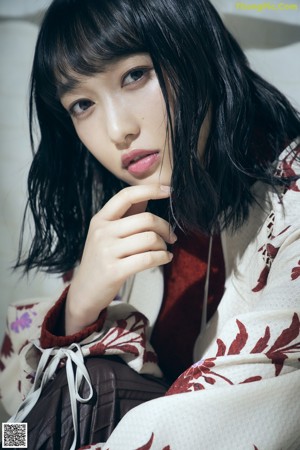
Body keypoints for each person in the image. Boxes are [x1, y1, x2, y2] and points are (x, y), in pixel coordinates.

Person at [0, 0, 300, 448]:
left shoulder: (291, 206)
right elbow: (45, 396)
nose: (118, 129)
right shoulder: (132, 206)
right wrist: (79, 308)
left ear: (197, 50)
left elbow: (224, 424)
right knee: (32, 421)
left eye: (135, 75)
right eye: (82, 103)